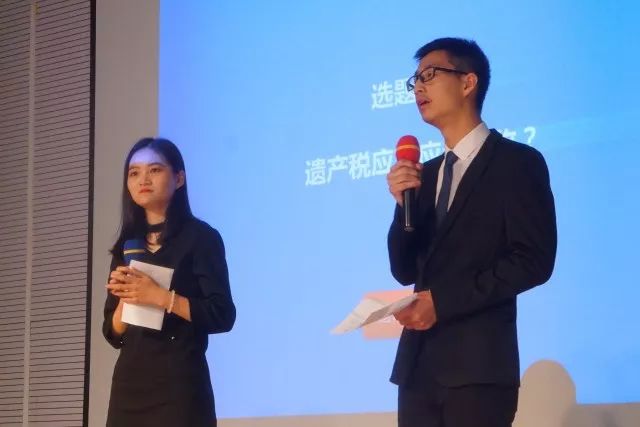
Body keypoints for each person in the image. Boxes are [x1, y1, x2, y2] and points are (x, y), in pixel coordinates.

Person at [386, 38, 557, 427]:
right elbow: (404, 270)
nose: (419, 87)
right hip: (417, 370)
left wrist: (442, 303)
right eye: (415, 80)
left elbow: (533, 261)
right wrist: (401, 204)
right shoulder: (425, 174)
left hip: (479, 371)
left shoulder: (517, 163)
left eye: (430, 75)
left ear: (468, 82)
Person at [103, 137, 235, 427]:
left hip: (180, 386)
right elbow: (112, 333)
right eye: (134, 173)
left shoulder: (201, 238)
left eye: (154, 170)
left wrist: (161, 297)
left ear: (179, 178)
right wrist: (126, 299)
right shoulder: (127, 245)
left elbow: (222, 314)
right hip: (129, 386)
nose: (143, 179)